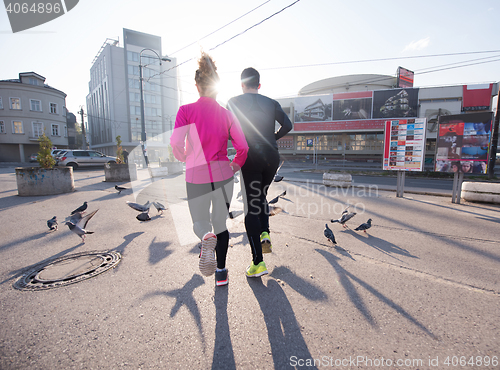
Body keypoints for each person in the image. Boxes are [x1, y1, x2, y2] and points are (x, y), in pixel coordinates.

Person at [170, 52, 248, 286]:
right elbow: (242, 147)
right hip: (223, 176)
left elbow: (175, 143)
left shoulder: (185, 111)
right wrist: (234, 166)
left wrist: (185, 156)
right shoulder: (227, 115)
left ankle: (204, 237)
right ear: (216, 86)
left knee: (200, 221)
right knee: (221, 223)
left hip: (197, 175)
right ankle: (221, 273)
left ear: (197, 86)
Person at [227, 67, 293, 278]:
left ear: (242, 84)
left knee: (250, 206)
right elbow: (288, 125)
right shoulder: (272, 102)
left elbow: (227, 129)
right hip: (272, 157)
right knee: (261, 196)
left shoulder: (233, 102)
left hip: (250, 157)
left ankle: (258, 263)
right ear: (259, 85)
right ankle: (265, 232)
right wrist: (273, 137)